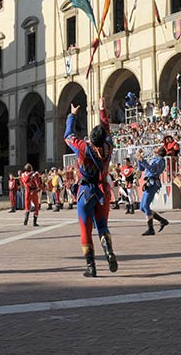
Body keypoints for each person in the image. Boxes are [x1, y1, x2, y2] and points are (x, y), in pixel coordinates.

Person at [65, 100, 117, 277]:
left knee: (85, 229)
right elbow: (107, 129)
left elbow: (68, 135)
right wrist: (102, 110)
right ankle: (108, 250)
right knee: (102, 226)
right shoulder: (108, 146)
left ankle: (91, 267)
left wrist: (72, 115)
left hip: (86, 192)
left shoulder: (83, 147)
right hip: (103, 191)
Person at [137, 147, 169, 235]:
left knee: (145, 205)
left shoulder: (160, 161)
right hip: (148, 182)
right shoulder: (154, 159)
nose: (154, 149)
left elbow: (153, 170)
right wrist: (139, 159)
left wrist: (143, 161)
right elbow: (142, 168)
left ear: (159, 152)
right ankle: (162, 220)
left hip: (153, 182)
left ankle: (150, 229)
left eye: (157, 148)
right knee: (142, 207)